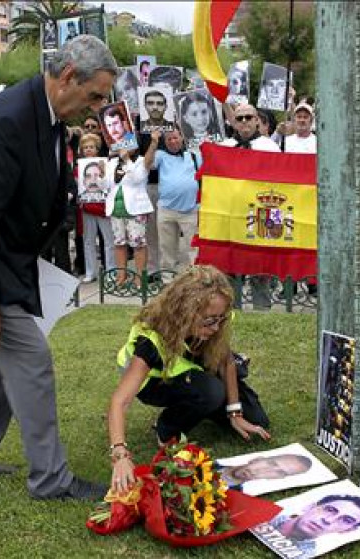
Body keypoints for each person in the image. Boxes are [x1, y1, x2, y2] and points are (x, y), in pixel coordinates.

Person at [0, 34, 117, 501]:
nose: (95, 110)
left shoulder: (46, 115)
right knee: (30, 361)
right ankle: (52, 480)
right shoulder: (8, 118)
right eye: (93, 96)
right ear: (68, 75)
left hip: (6, 260)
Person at [107, 265, 270, 494]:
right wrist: (120, 454)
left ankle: (208, 404)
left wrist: (235, 413)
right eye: (209, 321)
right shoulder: (151, 340)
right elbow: (119, 401)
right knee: (211, 392)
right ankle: (166, 428)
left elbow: (226, 361)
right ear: (185, 312)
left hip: (193, 373)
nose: (216, 327)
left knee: (257, 421)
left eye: (221, 319)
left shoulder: (214, 321)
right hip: (156, 384)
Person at [144, 129, 200, 272]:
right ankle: (167, 280)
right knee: (167, 249)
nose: (173, 141)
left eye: (175, 138)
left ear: (182, 137)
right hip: (166, 209)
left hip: (191, 209)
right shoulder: (160, 155)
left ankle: (195, 280)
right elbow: (147, 164)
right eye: (169, 139)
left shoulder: (194, 155)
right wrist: (154, 142)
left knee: (194, 249)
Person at [270, 494, 360, 556]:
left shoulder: (304, 554)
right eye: (330, 510)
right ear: (310, 507)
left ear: (347, 530)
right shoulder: (268, 514)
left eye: (346, 520)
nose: (328, 520)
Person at [106, 145, 153, 286]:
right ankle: (121, 277)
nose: (124, 147)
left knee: (138, 244)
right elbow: (107, 184)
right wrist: (101, 174)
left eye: (128, 144)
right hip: (115, 208)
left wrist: (127, 159)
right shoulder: (112, 162)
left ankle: (140, 278)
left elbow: (138, 178)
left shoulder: (141, 161)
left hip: (136, 209)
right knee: (119, 244)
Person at [77, 136, 114, 283]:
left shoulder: (105, 164)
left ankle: (111, 271)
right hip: (86, 208)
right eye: (85, 147)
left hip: (103, 207)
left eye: (91, 147)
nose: (88, 150)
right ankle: (90, 272)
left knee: (109, 240)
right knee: (88, 241)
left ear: (97, 148)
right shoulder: (78, 166)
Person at [220, 454, 313, 489]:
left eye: (280, 472)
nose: (265, 471)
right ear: (258, 459)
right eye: (272, 464)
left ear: (277, 478)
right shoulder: (215, 464)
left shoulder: (235, 495)